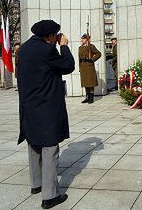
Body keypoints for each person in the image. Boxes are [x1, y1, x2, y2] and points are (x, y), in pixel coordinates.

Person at [17, 19, 75, 209]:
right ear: (50, 36)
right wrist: (64, 46)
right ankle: (50, 196)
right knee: (50, 148)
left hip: (28, 105)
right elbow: (68, 66)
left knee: (34, 143)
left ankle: (37, 184)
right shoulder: (48, 50)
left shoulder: (23, 49)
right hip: (46, 106)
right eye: (56, 35)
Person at [78, 34, 101, 104]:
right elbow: (79, 59)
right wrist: (79, 68)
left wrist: (92, 59)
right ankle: (87, 97)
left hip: (89, 66)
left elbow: (98, 54)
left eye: (83, 39)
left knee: (90, 83)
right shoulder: (80, 47)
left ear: (86, 39)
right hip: (83, 67)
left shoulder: (91, 46)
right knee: (85, 83)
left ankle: (91, 98)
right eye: (81, 39)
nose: (81, 40)